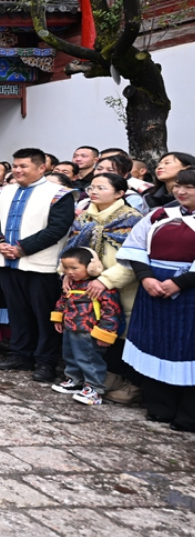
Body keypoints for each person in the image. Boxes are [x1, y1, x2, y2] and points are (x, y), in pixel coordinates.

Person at [0, 148, 76, 382]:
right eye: (15, 165)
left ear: (41, 167)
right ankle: (20, 354)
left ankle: (46, 362)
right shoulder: (3, 191)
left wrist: (22, 248)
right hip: (7, 262)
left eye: (23, 166)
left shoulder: (59, 194)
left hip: (40, 265)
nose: (17, 170)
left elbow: (58, 228)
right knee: (17, 312)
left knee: (44, 316)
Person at [117, 169, 195, 431]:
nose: (180, 191)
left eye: (189, 187)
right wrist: (146, 277)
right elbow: (135, 247)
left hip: (190, 291)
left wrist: (180, 282)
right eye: (178, 186)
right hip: (153, 287)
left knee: (188, 346)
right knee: (155, 342)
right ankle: (160, 407)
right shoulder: (159, 214)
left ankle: (189, 415)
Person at [62, 172, 143, 404]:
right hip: (84, 288)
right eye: (92, 188)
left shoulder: (133, 220)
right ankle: (95, 379)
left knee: (119, 333)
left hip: (120, 286)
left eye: (101, 188)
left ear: (120, 193)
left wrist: (105, 280)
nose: (94, 192)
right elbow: (71, 250)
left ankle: (125, 383)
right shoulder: (85, 218)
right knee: (88, 336)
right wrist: (65, 273)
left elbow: (135, 260)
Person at [50, 247, 124, 406]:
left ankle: (95, 388)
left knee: (89, 359)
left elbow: (111, 311)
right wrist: (58, 318)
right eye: (66, 268)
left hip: (89, 331)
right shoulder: (70, 284)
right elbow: (62, 302)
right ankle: (75, 380)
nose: (69, 272)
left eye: (74, 268)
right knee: (70, 355)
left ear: (90, 267)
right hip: (70, 327)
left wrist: (106, 332)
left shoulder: (100, 287)